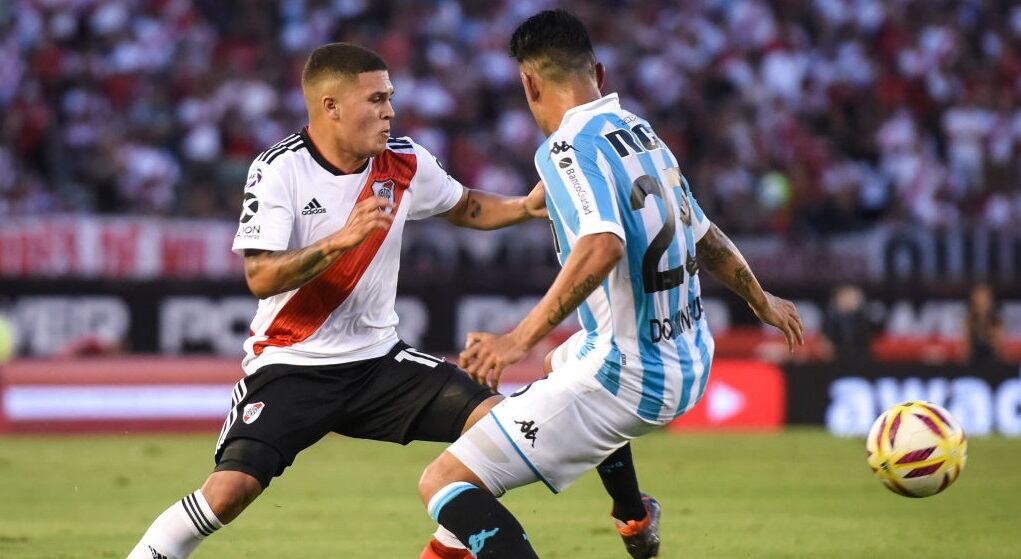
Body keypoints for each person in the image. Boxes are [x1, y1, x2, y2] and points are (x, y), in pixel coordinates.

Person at [126, 42, 647, 559]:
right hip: (292, 366)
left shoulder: (403, 160)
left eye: (390, 97)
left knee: (507, 431)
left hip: (380, 365)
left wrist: (524, 208)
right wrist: (339, 241)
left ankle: (631, 512)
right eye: (376, 99)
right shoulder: (279, 169)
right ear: (331, 106)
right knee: (228, 493)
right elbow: (260, 276)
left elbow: (464, 206)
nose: (390, 111)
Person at [416, 10, 805, 558]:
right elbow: (706, 235)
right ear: (598, 73)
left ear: (529, 84)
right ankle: (633, 516)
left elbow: (602, 246)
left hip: (627, 378)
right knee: (556, 367)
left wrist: (516, 340)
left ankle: (630, 513)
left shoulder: (565, 149)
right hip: (691, 356)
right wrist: (760, 299)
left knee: (444, 481)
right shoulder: (643, 135)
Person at [964, 283, 1003, 365]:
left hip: (991, 358)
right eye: (978, 298)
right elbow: (966, 343)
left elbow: (997, 344)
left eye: (984, 298)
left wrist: (989, 331)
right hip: (973, 358)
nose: (981, 301)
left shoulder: (995, 319)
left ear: (989, 300)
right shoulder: (970, 318)